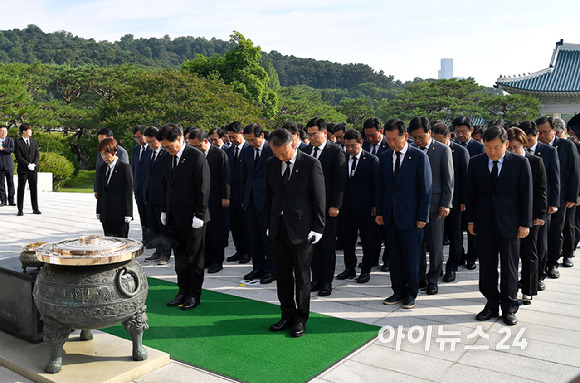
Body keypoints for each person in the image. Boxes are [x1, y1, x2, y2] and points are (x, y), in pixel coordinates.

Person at [467, 126, 532, 326]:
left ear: (505, 144)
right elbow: (471, 193)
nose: (492, 151)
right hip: (485, 222)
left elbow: (526, 194)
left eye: (496, 147)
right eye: (488, 147)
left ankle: (509, 307)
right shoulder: (476, 162)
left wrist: (524, 223)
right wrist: (471, 220)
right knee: (486, 266)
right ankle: (491, 304)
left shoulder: (520, 163)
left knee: (509, 267)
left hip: (510, 223)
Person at [264, 128, 325, 338]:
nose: (280, 157)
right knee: (282, 275)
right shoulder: (271, 164)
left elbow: (319, 197)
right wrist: (268, 222)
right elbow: (269, 195)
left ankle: (300, 318)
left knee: (302, 276)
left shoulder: (310, 164)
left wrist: (319, 227)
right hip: (279, 228)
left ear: (293, 144)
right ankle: (286, 314)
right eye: (276, 153)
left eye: (283, 153)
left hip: (302, 229)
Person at [376, 119, 432, 309]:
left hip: (411, 217)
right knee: (395, 256)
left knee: (412, 257)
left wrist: (422, 216)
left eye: (395, 139)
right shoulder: (384, 157)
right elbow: (381, 187)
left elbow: (425, 189)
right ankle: (397, 290)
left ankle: (411, 292)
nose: (392, 143)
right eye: (388, 139)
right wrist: (380, 212)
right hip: (391, 216)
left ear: (405, 136)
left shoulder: (418, 157)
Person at [157, 123, 210, 311]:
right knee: (179, 257)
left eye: (169, 146)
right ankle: (182, 290)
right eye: (164, 146)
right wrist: (164, 210)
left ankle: (194, 294)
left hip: (194, 218)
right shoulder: (166, 158)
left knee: (194, 259)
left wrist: (199, 214)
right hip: (173, 216)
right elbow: (164, 186)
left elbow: (203, 189)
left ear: (180, 138)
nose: (167, 149)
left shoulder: (196, 157)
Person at [409, 117, 453, 295]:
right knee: (418, 244)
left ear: (429, 132)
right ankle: (420, 277)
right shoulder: (411, 150)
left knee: (435, 245)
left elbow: (449, 180)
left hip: (435, 205)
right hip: (415, 204)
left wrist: (446, 203)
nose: (418, 140)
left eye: (421, 137)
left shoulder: (442, 150)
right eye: (414, 137)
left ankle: (433, 279)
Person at [304, 117, 346, 296]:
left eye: (315, 134)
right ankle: (316, 278)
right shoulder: (305, 150)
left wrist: (335, 204)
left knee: (327, 245)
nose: (312, 137)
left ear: (324, 133)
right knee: (312, 244)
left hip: (328, 207)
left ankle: (326, 281)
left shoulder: (335, 152)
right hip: (308, 207)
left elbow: (340, 181)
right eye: (309, 134)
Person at [506, 127, 547, 305]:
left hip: (530, 215)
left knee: (529, 253)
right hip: (509, 215)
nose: (513, 151)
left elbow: (541, 190)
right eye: (510, 147)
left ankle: (529, 290)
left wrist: (540, 214)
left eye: (516, 147)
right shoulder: (504, 162)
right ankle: (511, 289)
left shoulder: (535, 162)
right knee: (510, 255)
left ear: (524, 145)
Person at [536, 116, 579, 277]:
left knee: (556, 230)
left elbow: (574, 172)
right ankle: (540, 262)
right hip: (540, 199)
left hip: (560, 196)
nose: (542, 135)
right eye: (538, 132)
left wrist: (573, 196)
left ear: (554, 130)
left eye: (545, 132)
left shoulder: (566, 145)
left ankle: (553, 262)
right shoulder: (535, 147)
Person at [520, 120, 560, 291]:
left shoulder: (549, 152)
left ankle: (539, 275)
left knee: (540, 243)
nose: (527, 144)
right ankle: (525, 276)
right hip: (522, 206)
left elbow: (554, 179)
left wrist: (553, 203)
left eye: (529, 140)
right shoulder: (515, 153)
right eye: (524, 141)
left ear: (536, 136)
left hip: (541, 205)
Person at [336, 129, 378, 283]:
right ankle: (349, 268)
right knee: (348, 240)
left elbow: (376, 186)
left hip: (366, 208)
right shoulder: (343, 158)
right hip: (347, 207)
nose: (349, 149)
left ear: (360, 143)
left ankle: (365, 270)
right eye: (347, 146)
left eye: (352, 145)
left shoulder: (372, 160)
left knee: (367, 241)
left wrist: (375, 205)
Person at [188, 128, 231, 274]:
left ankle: (217, 261)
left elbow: (225, 177)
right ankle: (206, 258)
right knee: (203, 233)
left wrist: (225, 197)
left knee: (216, 232)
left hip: (216, 199)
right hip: (200, 200)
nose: (195, 149)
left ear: (205, 141)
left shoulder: (219, 154)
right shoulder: (193, 155)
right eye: (192, 146)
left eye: (197, 145)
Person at [432, 123, 469, 283]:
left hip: (455, 201)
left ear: (448, 137)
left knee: (455, 237)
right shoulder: (431, 150)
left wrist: (463, 201)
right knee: (437, 238)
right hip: (436, 201)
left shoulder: (460, 151)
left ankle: (452, 268)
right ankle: (436, 267)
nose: (437, 144)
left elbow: (466, 178)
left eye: (440, 140)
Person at [241, 123, 275, 284]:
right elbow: (244, 176)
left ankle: (270, 269)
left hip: (267, 200)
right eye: (248, 140)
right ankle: (257, 267)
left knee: (267, 237)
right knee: (253, 237)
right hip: (251, 200)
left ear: (262, 136)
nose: (251, 143)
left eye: (253, 140)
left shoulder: (272, 150)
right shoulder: (247, 151)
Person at [452, 116, 485, 270]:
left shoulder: (479, 147)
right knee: (456, 228)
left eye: (464, 131)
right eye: (457, 131)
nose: (460, 134)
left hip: (475, 193)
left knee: (473, 227)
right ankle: (459, 255)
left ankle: (472, 256)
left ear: (471, 130)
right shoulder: (452, 147)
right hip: (456, 193)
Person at [362, 117, 390, 271]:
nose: (370, 139)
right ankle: (372, 258)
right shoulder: (364, 145)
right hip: (369, 194)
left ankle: (388, 259)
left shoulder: (389, 145)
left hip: (386, 193)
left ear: (381, 131)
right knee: (372, 233)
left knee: (386, 231)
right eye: (367, 135)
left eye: (373, 135)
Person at [142, 126, 171, 265]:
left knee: (163, 227)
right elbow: (147, 175)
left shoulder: (166, 154)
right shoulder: (148, 153)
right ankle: (157, 251)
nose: (150, 144)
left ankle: (165, 253)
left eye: (152, 141)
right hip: (150, 196)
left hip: (161, 197)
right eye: (148, 142)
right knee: (153, 227)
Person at [225, 122, 251, 265]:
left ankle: (247, 251)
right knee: (235, 225)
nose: (232, 140)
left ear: (242, 134)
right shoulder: (229, 151)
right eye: (229, 137)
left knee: (246, 225)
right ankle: (239, 249)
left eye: (234, 136)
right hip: (232, 195)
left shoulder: (249, 149)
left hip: (245, 195)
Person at [96, 137, 133, 238]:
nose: (103, 156)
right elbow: (101, 191)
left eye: (106, 153)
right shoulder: (103, 168)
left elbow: (128, 192)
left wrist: (128, 213)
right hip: (106, 214)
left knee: (120, 243)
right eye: (102, 154)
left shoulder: (125, 168)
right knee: (108, 242)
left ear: (114, 152)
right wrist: (99, 210)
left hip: (119, 214)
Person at [94, 128, 129, 199]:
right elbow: (98, 170)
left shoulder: (122, 152)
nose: (101, 144)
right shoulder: (100, 151)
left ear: (111, 138)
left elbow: (124, 176)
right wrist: (97, 189)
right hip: (103, 190)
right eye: (99, 141)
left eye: (103, 141)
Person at [14, 124, 41, 216]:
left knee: (34, 188)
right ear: (24, 131)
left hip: (33, 169)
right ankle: (20, 209)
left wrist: (34, 164)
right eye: (29, 130)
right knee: (21, 189)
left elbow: (37, 154)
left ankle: (35, 208)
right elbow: (18, 156)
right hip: (23, 170)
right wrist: (27, 164)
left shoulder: (34, 142)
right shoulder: (18, 142)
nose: (31, 131)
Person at [132, 125, 151, 247]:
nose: (139, 140)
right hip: (138, 188)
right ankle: (145, 238)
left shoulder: (152, 149)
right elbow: (134, 167)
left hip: (148, 190)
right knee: (142, 214)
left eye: (140, 137)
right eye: (136, 138)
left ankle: (153, 239)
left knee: (150, 215)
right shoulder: (136, 149)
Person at [0, 126, 16, 207]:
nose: (3, 133)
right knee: (1, 184)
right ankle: (3, 201)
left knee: (10, 183)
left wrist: (3, 149)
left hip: (9, 165)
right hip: (0, 166)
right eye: (2, 131)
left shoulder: (10, 140)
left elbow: (12, 149)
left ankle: (11, 200)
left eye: (5, 131)